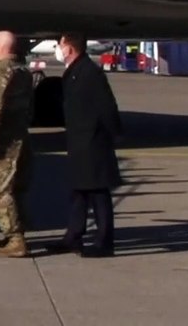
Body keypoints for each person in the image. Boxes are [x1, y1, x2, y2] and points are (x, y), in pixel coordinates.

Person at [48, 33, 122, 258]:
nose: (58, 48)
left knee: (98, 192)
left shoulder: (90, 73)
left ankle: (104, 242)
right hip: (79, 141)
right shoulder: (74, 71)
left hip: (93, 142)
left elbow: (107, 107)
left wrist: (113, 135)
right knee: (78, 191)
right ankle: (73, 236)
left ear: (70, 49)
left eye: (60, 44)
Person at [0, 31, 35, 257]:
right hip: (20, 136)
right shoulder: (22, 70)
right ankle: (15, 233)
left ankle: (15, 238)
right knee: (16, 188)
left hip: (2, 141)